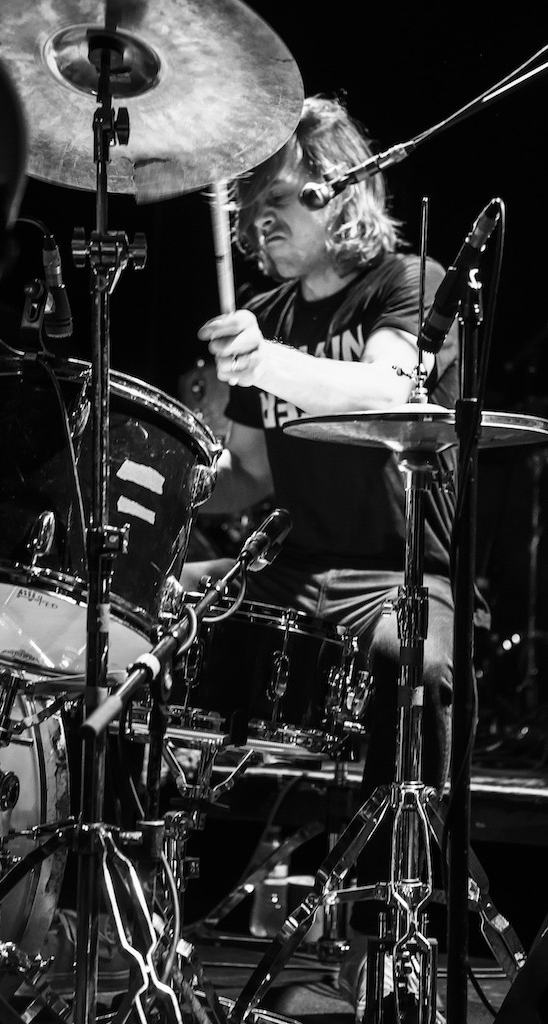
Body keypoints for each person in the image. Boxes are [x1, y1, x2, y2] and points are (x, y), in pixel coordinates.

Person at [181, 94, 460, 1021]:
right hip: (294, 569)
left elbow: (389, 386)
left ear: (337, 192)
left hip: (398, 572)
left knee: (411, 664)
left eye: (278, 203)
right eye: (248, 211)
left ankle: (391, 941)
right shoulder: (261, 314)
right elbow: (248, 476)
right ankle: (143, 905)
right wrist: (145, 486)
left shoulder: (405, 282)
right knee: (143, 615)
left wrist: (263, 364)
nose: (258, 225)